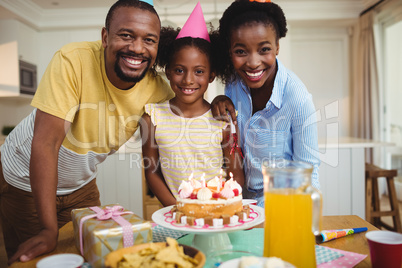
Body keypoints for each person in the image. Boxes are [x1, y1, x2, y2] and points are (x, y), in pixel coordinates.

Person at [0, 0, 174, 264]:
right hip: (22, 180)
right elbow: (46, 144)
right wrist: (49, 229)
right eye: (126, 35)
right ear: (105, 37)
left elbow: (192, 115)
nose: (137, 48)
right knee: (41, 259)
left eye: (149, 40)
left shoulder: (158, 89)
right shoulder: (73, 60)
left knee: (95, 255)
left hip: (81, 186)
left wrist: (220, 103)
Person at [211, 0, 320, 207]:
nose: (253, 63)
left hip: (280, 203)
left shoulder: (297, 98)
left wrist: (305, 224)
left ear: (277, 46)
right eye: (241, 51)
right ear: (230, 51)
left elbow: (309, 172)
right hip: (239, 201)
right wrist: (219, 100)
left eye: (264, 49)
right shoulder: (233, 83)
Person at [140, 3, 244, 207]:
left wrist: (222, 208)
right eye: (179, 70)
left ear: (211, 75)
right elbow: (152, 172)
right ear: (168, 71)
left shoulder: (223, 121)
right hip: (174, 214)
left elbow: (236, 175)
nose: (188, 80)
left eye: (198, 71)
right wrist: (177, 209)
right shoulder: (152, 118)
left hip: (217, 214)